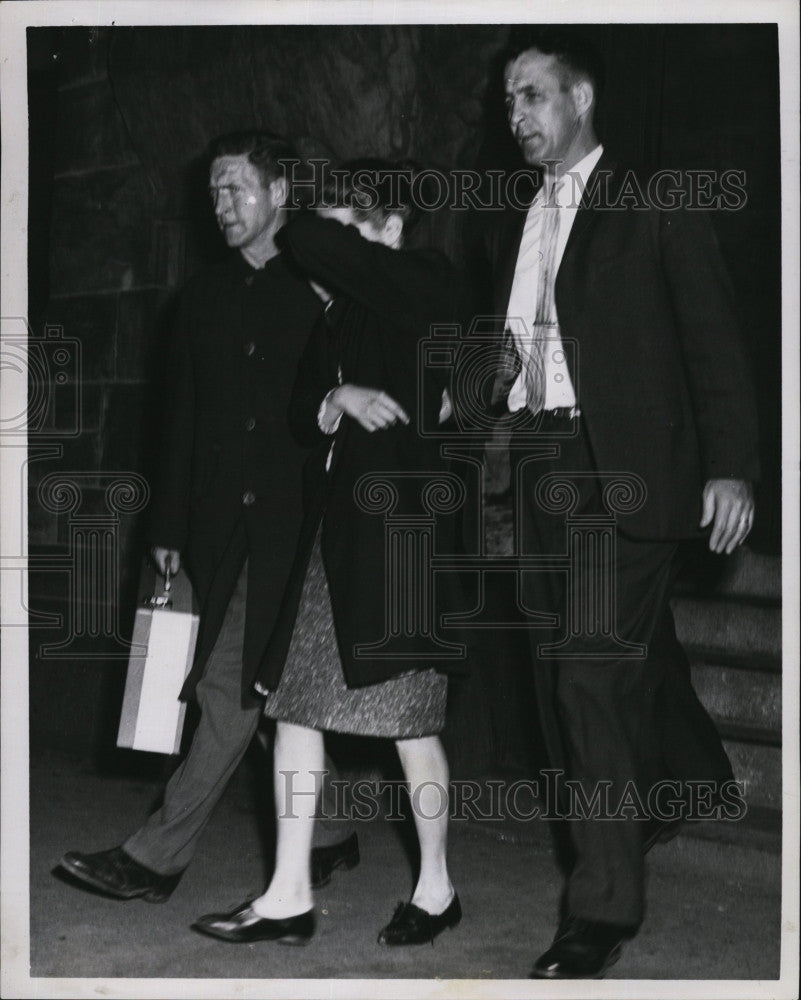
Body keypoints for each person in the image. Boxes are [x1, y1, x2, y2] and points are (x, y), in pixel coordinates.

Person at [472, 29, 759, 978]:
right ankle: (685, 783)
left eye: (532, 97)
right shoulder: (529, 210)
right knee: (583, 669)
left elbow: (712, 336)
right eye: (508, 102)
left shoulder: (651, 197)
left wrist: (731, 465)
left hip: (626, 466)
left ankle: (600, 911)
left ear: (581, 98)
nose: (516, 117)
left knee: (587, 678)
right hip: (543, 461)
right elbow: (525, 330)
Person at [58, 131, 358, 904]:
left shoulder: (326, 287)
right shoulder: (201, 297)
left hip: (298, 525)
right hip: (218, 522)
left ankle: (156, 856)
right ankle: (328, 830)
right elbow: (178, 421)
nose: (220, 205)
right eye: (214, 192)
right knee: (259, 687)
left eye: (236, 189)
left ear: (280, 193)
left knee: (229, 685)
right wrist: (164, 530)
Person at [191, 160, 465, 947]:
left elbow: (312, 239)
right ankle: (286, 893)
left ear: (388, 228)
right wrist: (332, 399)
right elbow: (299, 414)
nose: (326, 254)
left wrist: (314, 215)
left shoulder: (423, 279)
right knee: (294, 711)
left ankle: (437, 887)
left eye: (349, 231)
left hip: (405, 542)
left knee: (410, 725)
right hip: (332, 542)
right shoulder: (338, 314)